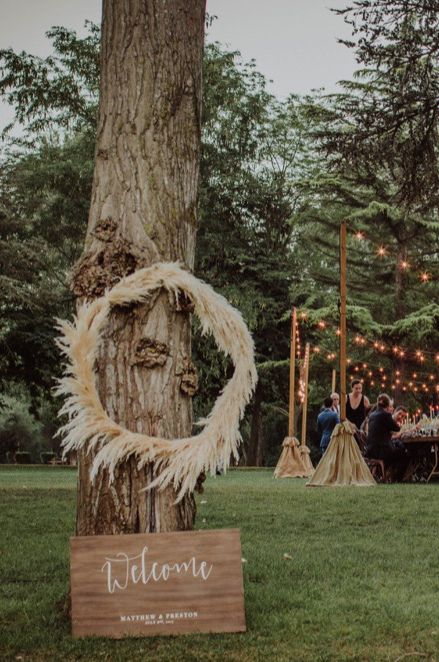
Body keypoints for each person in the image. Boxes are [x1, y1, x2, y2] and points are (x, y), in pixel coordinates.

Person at [365, 393, 409, 481]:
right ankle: (397, 478)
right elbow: (396, 428)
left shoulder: (372, 415)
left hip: (370, 450)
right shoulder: (385, 415)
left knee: (399, 448)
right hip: (381, 450)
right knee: (405, 454)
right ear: (387, 404)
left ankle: (389, 475)